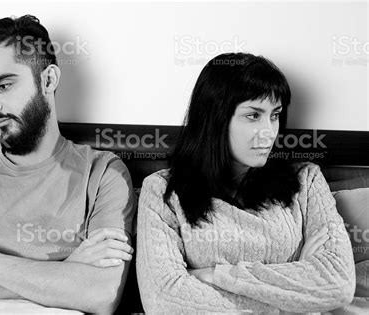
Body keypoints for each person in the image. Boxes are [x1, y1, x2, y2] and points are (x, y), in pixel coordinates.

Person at [0, 15, 136, 314]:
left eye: (3, 86)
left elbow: (101, 294)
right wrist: (66, 272)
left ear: (48, 79)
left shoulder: (102, 173)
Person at [136, 53, 355, 314]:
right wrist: (292, 300)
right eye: (253, 116)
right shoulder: (162, 191)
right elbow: (163, 301)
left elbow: (337, 285)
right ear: (215, 118)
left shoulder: (307, 181)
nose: (268, 132)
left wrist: (215, 275)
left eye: (275, 115)